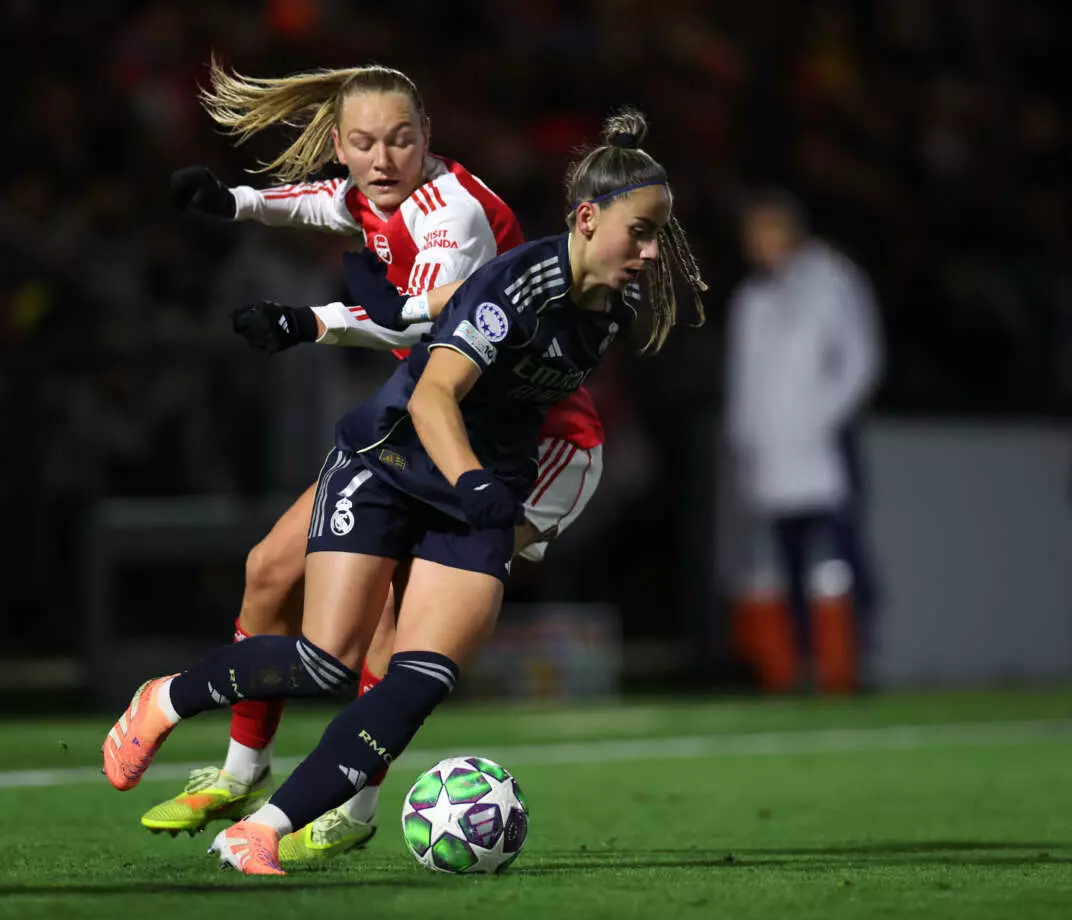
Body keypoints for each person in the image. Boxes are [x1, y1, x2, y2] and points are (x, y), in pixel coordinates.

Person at [102, 109, 706, 876]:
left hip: (483, 483)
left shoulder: (612, 302)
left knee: (419, 678)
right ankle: (168, 700)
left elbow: (428, 308)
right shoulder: (515, 277)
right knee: (327, 657)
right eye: (644, 233)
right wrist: (471, 475)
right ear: (587, 218)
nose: (654, 253)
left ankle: (265, 829)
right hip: (395, 458)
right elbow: (432, 393)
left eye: (660, 236)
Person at [724, 189, 882, 690]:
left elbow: (860, 358)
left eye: (765, 231)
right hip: (772, 453)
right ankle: (804, 664)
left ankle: (860, 658)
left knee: (846, 554)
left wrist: (823, 416)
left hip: (824, 447)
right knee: (787, 563)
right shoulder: (751, 299)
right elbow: (743, 381)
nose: (757, 243)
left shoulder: (832, 280)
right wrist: (745, 438)